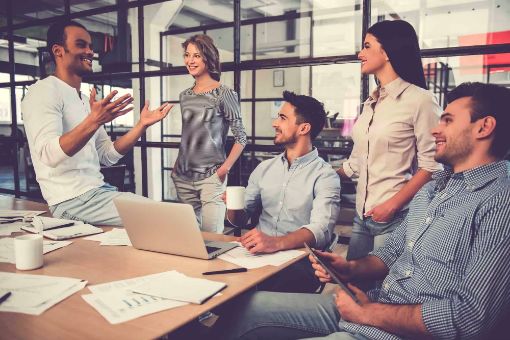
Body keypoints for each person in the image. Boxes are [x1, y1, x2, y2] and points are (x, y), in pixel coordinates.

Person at [215, 82, 510, 339]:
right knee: (249, 308)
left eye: (446, 120)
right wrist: (349, 268)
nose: (435, 129)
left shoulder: (499, 200)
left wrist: (370, 313)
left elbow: (470, 318)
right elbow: (391, 254)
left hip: (391, 324)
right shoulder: (433, 189)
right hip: (373, 306)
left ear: (484, 127)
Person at [22, 20, 172, 226]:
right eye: (81, 45)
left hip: (97, 192)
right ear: (58, 51)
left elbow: (107, 156)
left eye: (91, 46)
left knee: (168, 217)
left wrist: (141, 126)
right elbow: (48, 154)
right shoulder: (43, 91)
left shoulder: (83, 100)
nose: (90, 51)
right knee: (166, 217)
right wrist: (93, 121)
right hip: (71, 200)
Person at [337, 20, 442, 263]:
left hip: (395, 216)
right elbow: (356, 161)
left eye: (366, 46)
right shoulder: (371, 103)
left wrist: (392, 205)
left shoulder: (421, 100)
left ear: (386, 52)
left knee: (384, 293)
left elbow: (433, 165)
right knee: (353, 287)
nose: (359, 53)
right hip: (362, 215)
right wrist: (320, 175)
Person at [228, 91, 341, 293]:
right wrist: (233, 207)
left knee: (257, 295)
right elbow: (241, 219)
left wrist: (275, 243)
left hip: (298, 261)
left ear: (304, 128)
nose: (274, 123)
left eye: (282, 118)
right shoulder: (264, 168)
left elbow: (321, 230)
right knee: (219, 282)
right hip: (257, 255)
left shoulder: (325, 176)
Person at [171, 34, 247, 234]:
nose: (190, 60)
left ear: (208, 57)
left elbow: (241, 137)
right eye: (187, 55)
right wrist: (176, 167)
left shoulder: (224, 93)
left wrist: (224, 169)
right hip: (183, 177)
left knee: (212, 238)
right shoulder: (185, 96)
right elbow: (189, 134)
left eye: (196, 55)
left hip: (211, 178)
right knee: (189, 238)